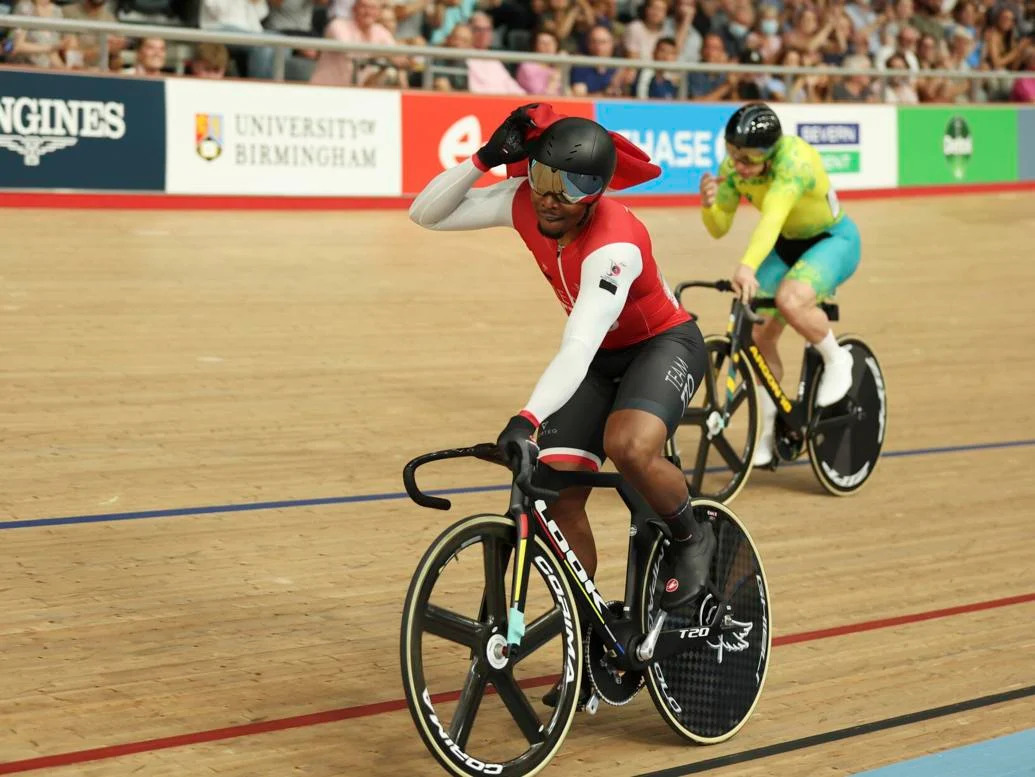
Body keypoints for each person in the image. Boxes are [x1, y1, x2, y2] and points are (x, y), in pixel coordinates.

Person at [409, 106, 715, 697]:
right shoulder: (526, 198)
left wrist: (527, 417)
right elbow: (425, 214)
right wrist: (482, 160)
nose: (552, 199)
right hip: (599, 359)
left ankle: (690, 535)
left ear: (598, 194)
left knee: (627, 445)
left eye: (573, 188)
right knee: (553, 489)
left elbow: (577, 345)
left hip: (661, 346)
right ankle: (589, 633)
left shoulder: (614, 245)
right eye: (545, 179)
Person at [699, 103, 860, 467]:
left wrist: (747, 266)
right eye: (732, 153)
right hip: (788, 246)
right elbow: (718, 227)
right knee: (759, 336)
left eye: (749, 157)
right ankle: (769, 433)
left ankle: (838, 358)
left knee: (790, 299)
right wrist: (709, 205)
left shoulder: (795, 162)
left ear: (770, 152)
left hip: (833, 241)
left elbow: (772, 217)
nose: (738, 164)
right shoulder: (735, 168)